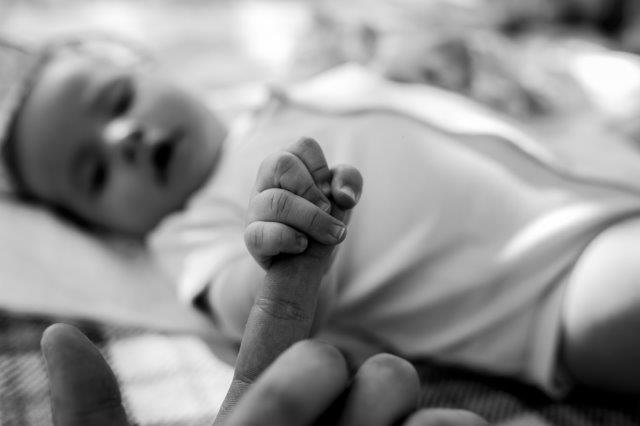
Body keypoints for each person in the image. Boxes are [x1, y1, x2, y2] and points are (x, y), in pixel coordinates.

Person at [4, 34, 640, 399]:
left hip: (597, 194)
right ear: (100, 229)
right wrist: (281, 252)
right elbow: (259, 312)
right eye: (94, 173)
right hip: (554, 294)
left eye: (119, 99)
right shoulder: (190, 234)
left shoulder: (286, 95)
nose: (123, 137)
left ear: (152, 71)